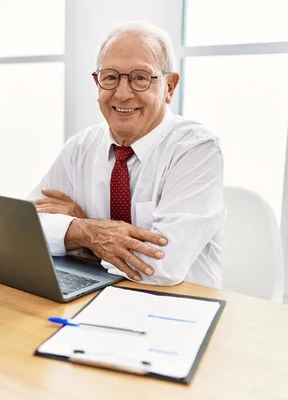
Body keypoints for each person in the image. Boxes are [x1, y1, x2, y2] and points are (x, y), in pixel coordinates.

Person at [28, 22, 226, 288]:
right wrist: (88, 233)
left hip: (176, 309)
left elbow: (161, 265)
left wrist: (83, 227)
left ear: (169, 86)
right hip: (89, 299)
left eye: (140, 77)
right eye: (110, 77)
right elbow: (25, 229)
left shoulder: (196, 150)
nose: (122, 94)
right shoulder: (80, 147)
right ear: (97, 83)